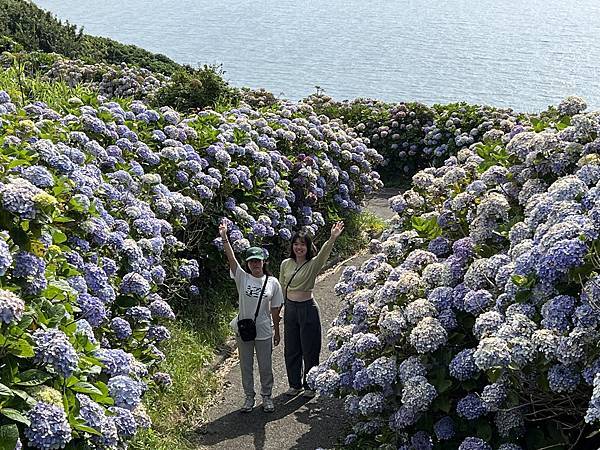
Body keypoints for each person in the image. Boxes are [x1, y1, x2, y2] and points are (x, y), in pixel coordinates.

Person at [219, 222, 284, 413]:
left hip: (264, 330)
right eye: (252, 261)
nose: (255, 264)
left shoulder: (272, 282)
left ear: (264, 262)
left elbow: (275, 310)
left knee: (265, 367)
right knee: (245, 366)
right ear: (247, 263)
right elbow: (231, 258)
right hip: (244, 329)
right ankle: (249, 397)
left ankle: (267, 396)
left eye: (258, 261)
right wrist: (224, 236)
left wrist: (277, 332)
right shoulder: (242, 277)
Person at [279, 221, 344, 398]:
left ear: (308, 247)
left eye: (303, 244)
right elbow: (281, 286)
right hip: (290, 308)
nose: (299, 247)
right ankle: (294, 384)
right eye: (296, 244)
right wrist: (278, 311)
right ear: (292, 246)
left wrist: (332, 238)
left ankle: (310, 385)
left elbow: (323, 254)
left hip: (308, 308)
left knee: (310, 348)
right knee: (291, 348)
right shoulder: (285, 264)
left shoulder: (313, 264)